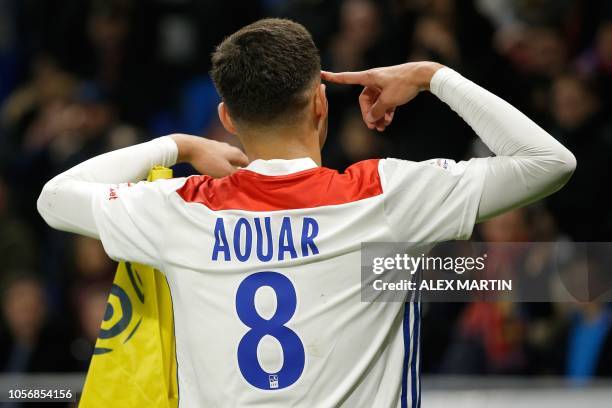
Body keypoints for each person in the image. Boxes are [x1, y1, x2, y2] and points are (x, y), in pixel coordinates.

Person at [37, 18, 575, 408]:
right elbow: (549, 162)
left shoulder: (182, 208)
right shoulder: (383, 195)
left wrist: (175, 144)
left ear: (226, 117)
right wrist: (433, 75)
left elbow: (55, 198)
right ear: (321, 103)